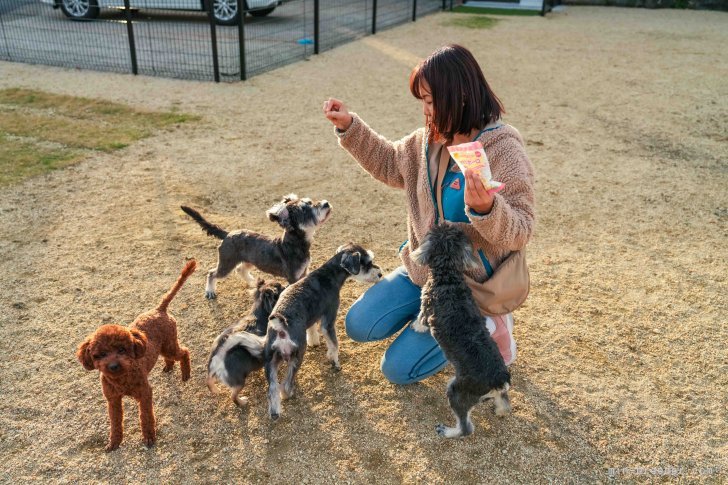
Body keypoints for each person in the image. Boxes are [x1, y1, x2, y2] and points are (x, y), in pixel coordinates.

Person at [322, 44, 535, 385]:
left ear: (461, 95)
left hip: (469, 287)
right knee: (358, 324)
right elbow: (390, 162)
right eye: (422, 100)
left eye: (432, 101)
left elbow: (522, 228)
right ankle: (424, 317)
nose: (425, 110)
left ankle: (487, 323)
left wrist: (487, 210)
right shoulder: (428, 140)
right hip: (422, 272)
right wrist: (350, 127)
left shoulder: (502, 148)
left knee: (397, 370)